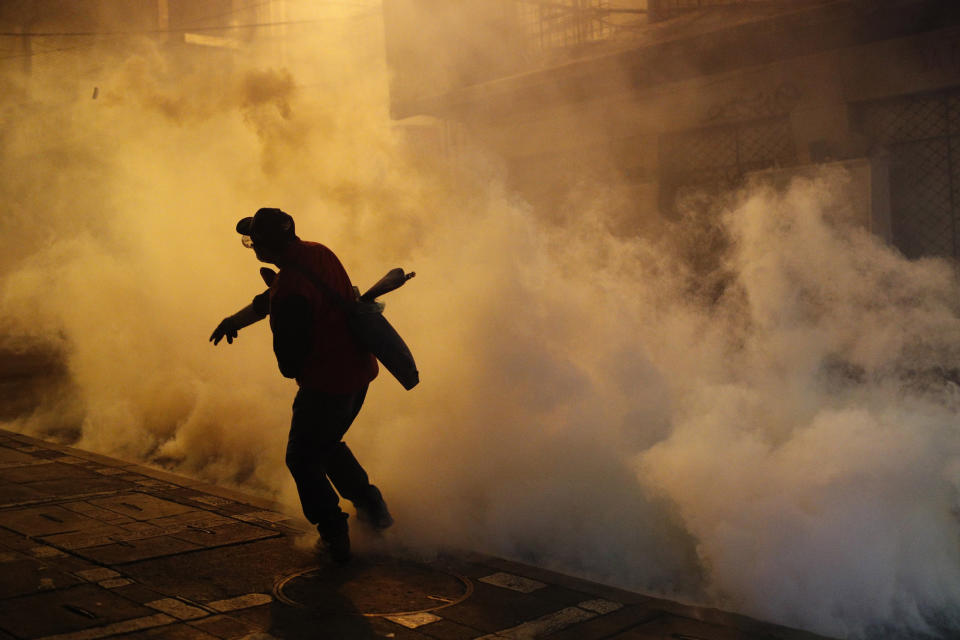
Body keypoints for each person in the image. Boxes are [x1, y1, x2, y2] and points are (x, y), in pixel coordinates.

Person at [210, 207, 392, 563]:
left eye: (253, 240)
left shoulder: (290, 289)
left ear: (267, 245)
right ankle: (374, 511)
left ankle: (333, 533)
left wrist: (282, 329)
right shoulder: (317, 253)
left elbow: (289, 361)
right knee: (326, 444)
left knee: (302, 456)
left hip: (328, 382)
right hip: (358, 370)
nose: (250, 246)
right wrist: (234, 321)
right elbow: (272, 300)